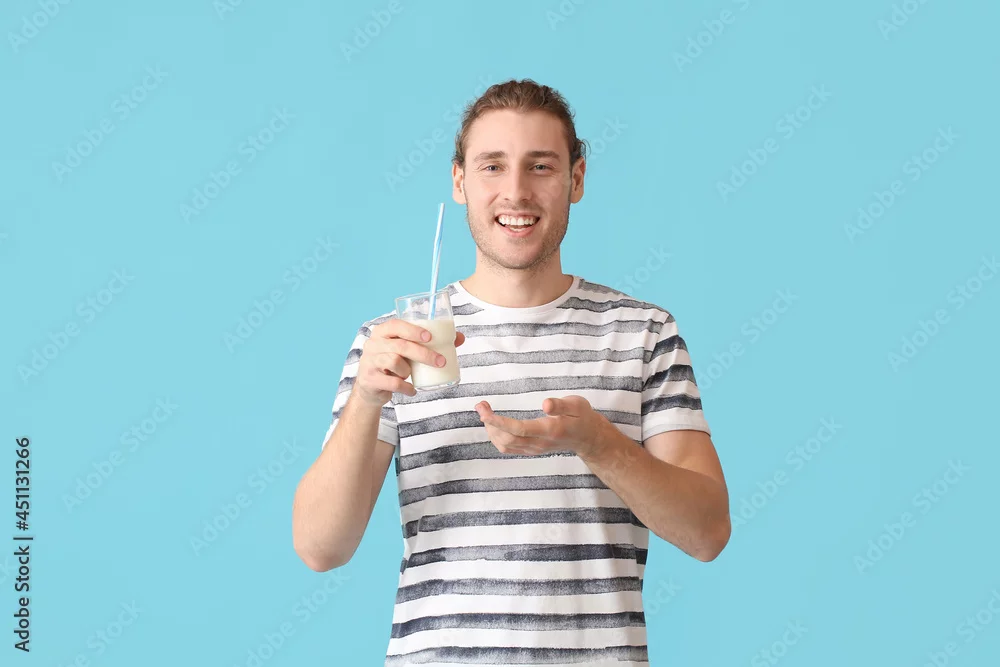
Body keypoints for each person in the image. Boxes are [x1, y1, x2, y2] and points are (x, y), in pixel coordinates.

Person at [292, 78, 731, 667]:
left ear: (576, 179)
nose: (516, 192)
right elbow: (320, 547)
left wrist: (597, 443)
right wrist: (367, 400)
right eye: (492, 166)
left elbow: (707, 533)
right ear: (459, 181)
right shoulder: (395, 345)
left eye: (540, 166)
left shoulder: (643, 333)